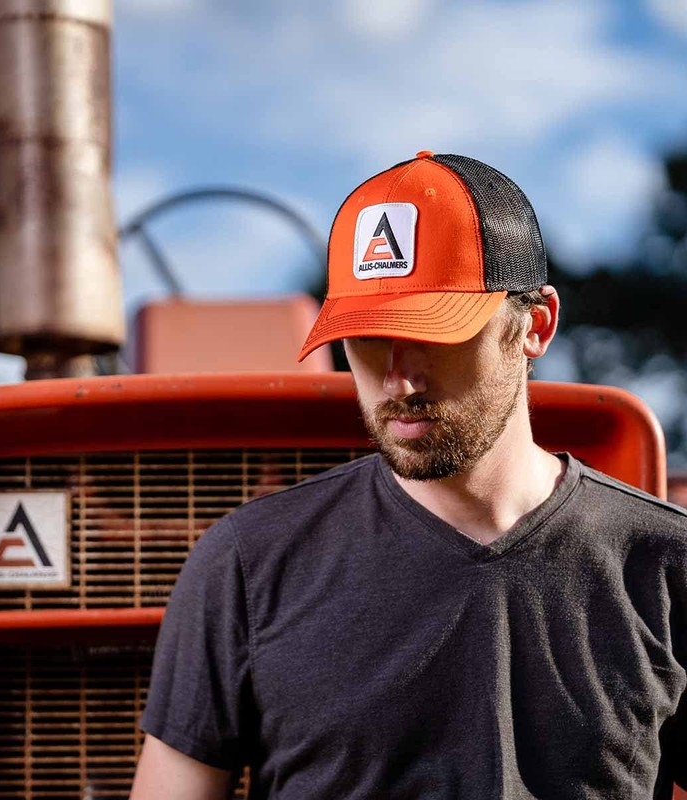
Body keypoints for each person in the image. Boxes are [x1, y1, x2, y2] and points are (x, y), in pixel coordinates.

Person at [130, 151, 687, 799]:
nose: (399, 380)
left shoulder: (667, 567)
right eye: (366, 339)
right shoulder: (248, 566)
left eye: (436, 334)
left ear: (534, 326)